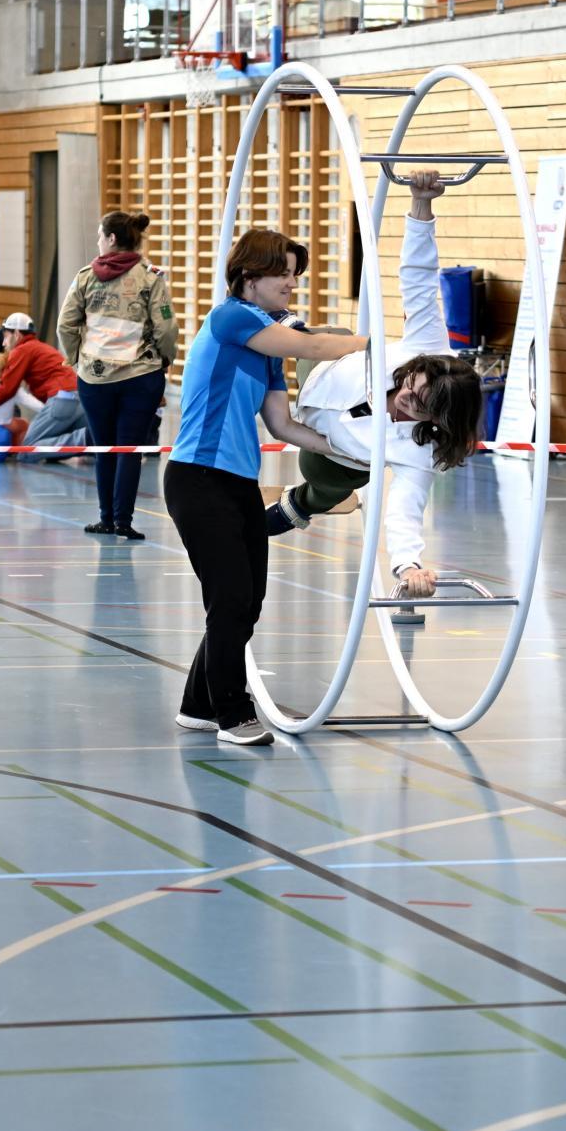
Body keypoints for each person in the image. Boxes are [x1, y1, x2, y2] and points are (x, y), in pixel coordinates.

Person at [165, 228, 364, 747]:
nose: (292, 284)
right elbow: (316, 344)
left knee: (246, 602)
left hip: (237, 483)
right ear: (250, 278)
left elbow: (283, 426)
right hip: (197, 478)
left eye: (296, 275)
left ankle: (197, 705)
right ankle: (233, 713)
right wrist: (383, 346)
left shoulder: (267, 349)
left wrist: (352, 451)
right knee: (229, 598)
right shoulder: (233, 317)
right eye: (284, 274)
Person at [264, 171, 485, 598]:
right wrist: (422, 206)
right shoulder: (429, 345)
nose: (405, 398)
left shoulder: (424, 451)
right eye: (413, 386)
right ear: (421, 366)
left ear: (437, 419)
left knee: (329, 486)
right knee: (330, 336)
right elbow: (418, 279)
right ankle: (288, 325)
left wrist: (408, 565)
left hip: (337, 455)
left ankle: (299, 507)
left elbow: (405, 509)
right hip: (328, 373)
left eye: (419, 406)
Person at [57, 209, 176, 539]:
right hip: (141, 378)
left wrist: (75, 359)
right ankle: (123, 519)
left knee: (103, 448)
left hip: (94, 380)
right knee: (129, 449)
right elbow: (166, 327)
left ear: (111, 239)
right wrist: (165, 360)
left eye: (100, 235)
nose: (98, 241)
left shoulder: (85, 277)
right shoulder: (151, 278)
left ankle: (106, 517)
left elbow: (65, 325)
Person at [0, 311, 85, 447]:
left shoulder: (21, 350)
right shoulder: (41, 348)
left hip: (62, 399)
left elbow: (7, 388)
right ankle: (90, 437)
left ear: (16, 334)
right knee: (50, 442)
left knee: (29, 448)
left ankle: (85, 439)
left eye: (6, 337)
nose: (4, 343)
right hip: (79, 399)